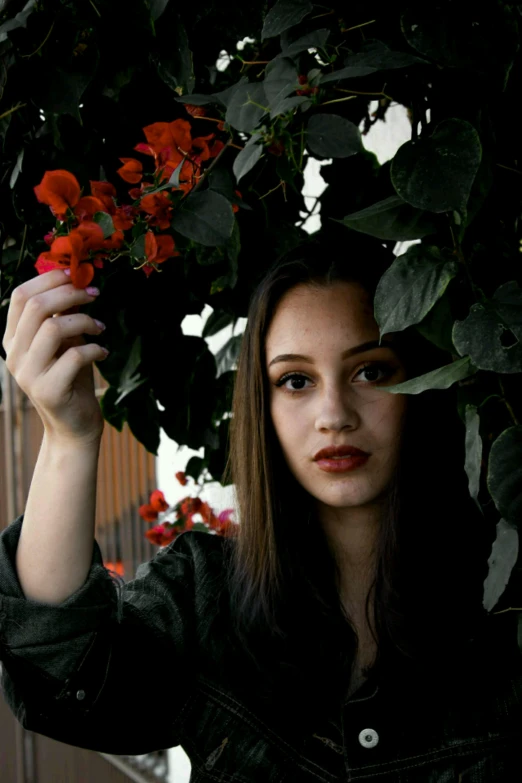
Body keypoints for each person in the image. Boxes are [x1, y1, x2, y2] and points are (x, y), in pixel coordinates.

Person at [0, 241, 520, 780]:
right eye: (296, 381)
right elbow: (62, 670)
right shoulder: (207, 598)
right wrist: (70, 436)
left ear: (420, 384)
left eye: (370, 371)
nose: (334, 415)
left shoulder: (506, 607)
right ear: (262, 404)